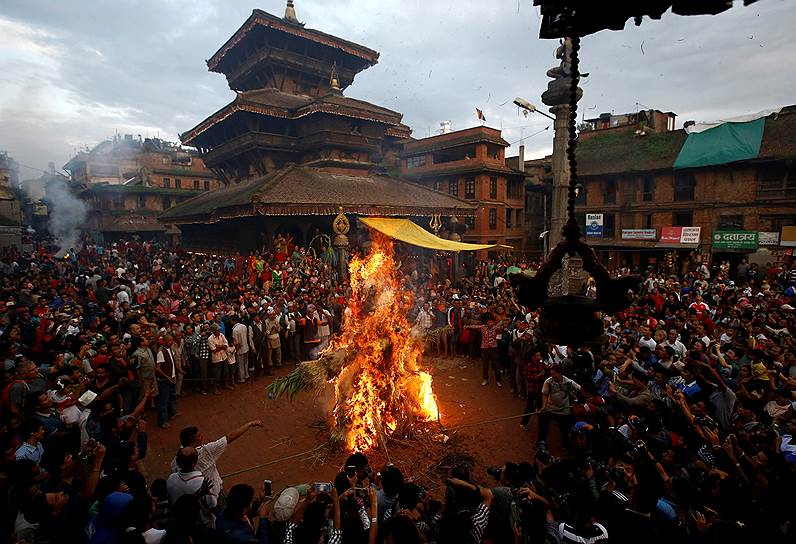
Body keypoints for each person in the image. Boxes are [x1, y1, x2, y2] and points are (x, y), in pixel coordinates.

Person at [172, 420, 264, 499]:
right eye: (199, 436)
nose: (202, 437)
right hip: (213, 494)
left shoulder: (176, 462)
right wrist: (250, 424)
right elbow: (230, 437)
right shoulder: (205, 451)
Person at [155, 335, 178, 429]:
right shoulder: (161, 352)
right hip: (164, 381)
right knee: (163, 401)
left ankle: (171, 414)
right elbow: (158, 368)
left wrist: (174, 375)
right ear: (163, 341)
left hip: (171, 378)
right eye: (169, 340)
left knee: (171, 398)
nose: (171, 342)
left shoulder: (170, 350)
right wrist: (167, 377)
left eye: (172, 340)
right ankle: (162, 421)